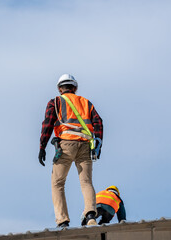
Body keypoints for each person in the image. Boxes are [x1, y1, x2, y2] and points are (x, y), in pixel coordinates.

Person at [38, 74, 103, 228]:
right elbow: (98, 123)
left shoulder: (56, 101)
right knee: (86, 182)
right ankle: (91, 216)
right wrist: (98, 145)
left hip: (66, 145)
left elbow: (47, 124)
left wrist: (42, 146)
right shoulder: (86, 103)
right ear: (75, 88)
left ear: (60, 88)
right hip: (86, 145)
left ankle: (63, 221)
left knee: (58, 183)